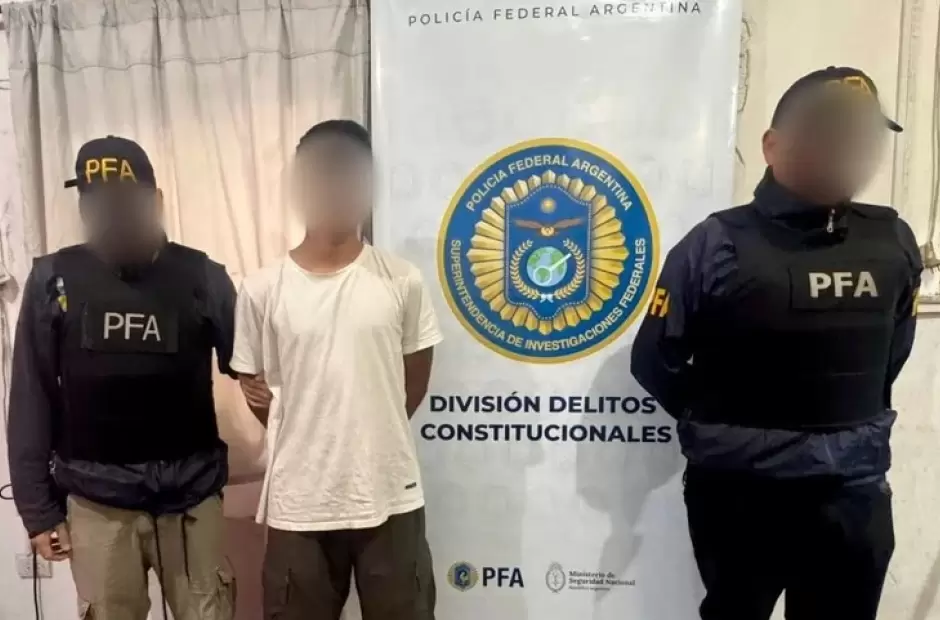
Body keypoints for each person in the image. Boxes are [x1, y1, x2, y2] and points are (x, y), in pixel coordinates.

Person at [631, 67, 922, 620]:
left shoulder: (892, 240)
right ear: (772, 145)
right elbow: (653, 359)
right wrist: (722, 418)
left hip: (852, 489)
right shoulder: (715, 242)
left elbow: (893, 353)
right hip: (742, 490)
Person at [7, 136, 237, 620]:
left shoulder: (204, 277)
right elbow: (31, 398)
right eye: (100, 205)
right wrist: (39, 512)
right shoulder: (54, 279)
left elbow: (257, 369)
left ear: (156, 201)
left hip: (190, 500)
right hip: (97, 504)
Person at [232, 120, 441, 620]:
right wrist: (308, 433)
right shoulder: (262, 289)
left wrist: (371, 431)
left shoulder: (401, 280)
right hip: (299, 504)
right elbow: (257, 391)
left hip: (389, 496)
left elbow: (411, 383)